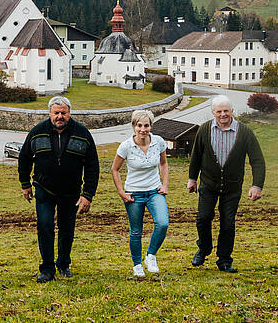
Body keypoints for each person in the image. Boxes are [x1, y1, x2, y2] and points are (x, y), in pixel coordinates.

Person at [18, 96, 98, 282]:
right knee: (45, 225)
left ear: (69, 113)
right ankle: (47, 269)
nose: (60, 116)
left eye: (63, 113)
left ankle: (63, 264)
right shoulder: (37, 132)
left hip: (71, 191)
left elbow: (93, 165)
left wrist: (87, 195)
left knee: (67, 229)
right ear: (50, 113)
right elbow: (24, 158)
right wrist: (25, 184)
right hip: (44, 188)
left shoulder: (82, 133)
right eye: (56, 113)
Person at [185, 95, 264, 273]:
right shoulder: (204, 130)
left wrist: (257, 185)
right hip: (208, 184)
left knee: (228, 223)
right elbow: (196, 155)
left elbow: (257, 160)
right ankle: (204, 249)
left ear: (232, 111)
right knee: (203, 218)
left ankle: (224, 260)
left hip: (232, 187)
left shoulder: (244, 132)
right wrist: (192, 179)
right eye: (219, 111)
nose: (223, 114)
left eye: (226, 111)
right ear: (213, 112)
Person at [111, 109, 169, 278]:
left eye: (146, 125)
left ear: (151, 126)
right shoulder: (126, 146)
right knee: (136, 231)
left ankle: (151, 255)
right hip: (134, 193)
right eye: (139, 125)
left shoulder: (158, 142)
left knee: (162, 223)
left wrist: (164, 185)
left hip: (154, 191)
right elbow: (115, 170)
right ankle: (137, 264)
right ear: (134, 126)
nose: (143, 129)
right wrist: (122, 192)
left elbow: (164, 164)